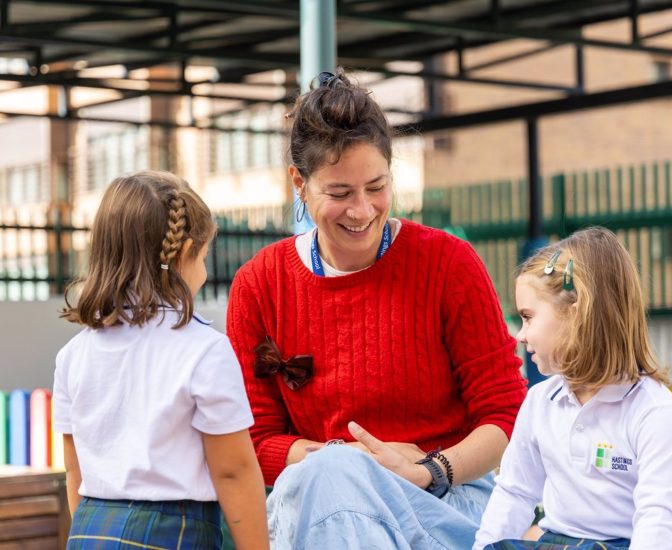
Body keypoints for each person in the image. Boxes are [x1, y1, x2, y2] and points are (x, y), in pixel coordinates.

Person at [227, 69, 527, 549]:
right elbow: (254, 440)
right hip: (319, 502)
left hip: (444, 499)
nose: (362, 210)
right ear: (299, 185)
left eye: (376, 186)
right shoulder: (259, 285)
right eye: (340, 193)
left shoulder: (448, 263)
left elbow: (506, 412)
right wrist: (354, 465)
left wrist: (426, 470)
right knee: (334, 474)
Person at [53, 171, 269, 550]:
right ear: (185, 253)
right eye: (203, 257)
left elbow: (76, 469)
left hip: (89, 529)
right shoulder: (205, 350)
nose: (203, 270)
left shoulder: (73, 354)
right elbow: (233, 472)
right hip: (174, 535)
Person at [474, 227, 672, 550]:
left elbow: (657, 521)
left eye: (528, 317)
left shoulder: (654, 413)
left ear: (576, 313)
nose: (519, 335)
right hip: (557, 542)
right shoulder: (540, 401)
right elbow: (515, 492)